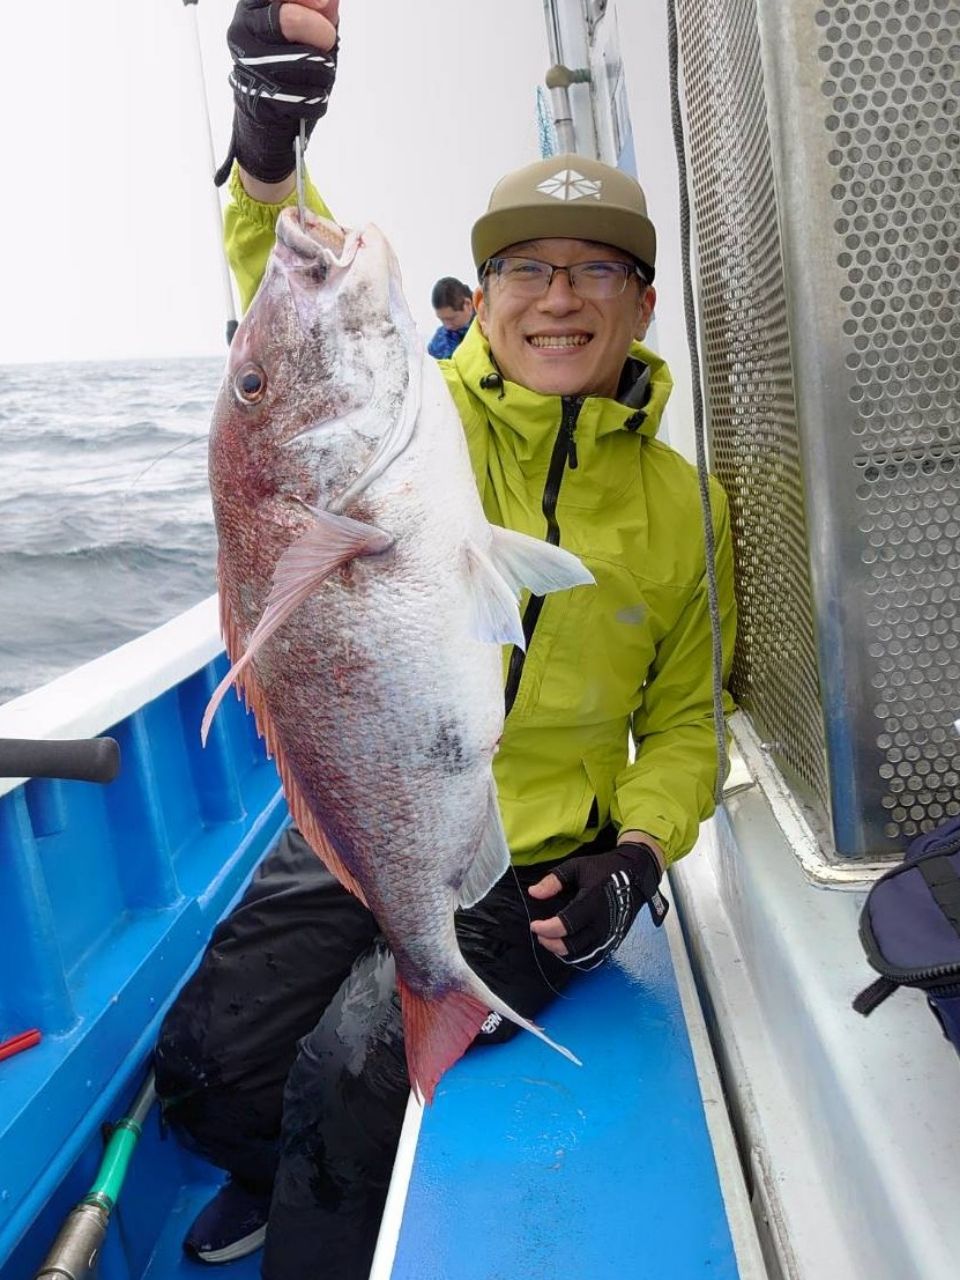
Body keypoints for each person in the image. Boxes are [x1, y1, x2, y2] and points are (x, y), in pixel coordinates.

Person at [154, 2, 737, 1277]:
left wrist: (636, 856)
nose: (560, 298)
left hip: (528, 858)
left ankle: (318, 1215)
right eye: (530, 268)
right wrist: (269, 145)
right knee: (204, 1065)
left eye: (597, 270)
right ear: (481, 298)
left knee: (343, 1099)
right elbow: (288, 306)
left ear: (644, 302)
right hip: (368, 809)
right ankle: (258, 1176)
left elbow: (690, 722)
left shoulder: (685, 505)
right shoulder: (419, 418)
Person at [427, 276, 475, 358]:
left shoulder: (493, 327)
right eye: (442, 320)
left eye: (451, 319)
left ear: (468, 304)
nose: (447, 326)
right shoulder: (438, 344)